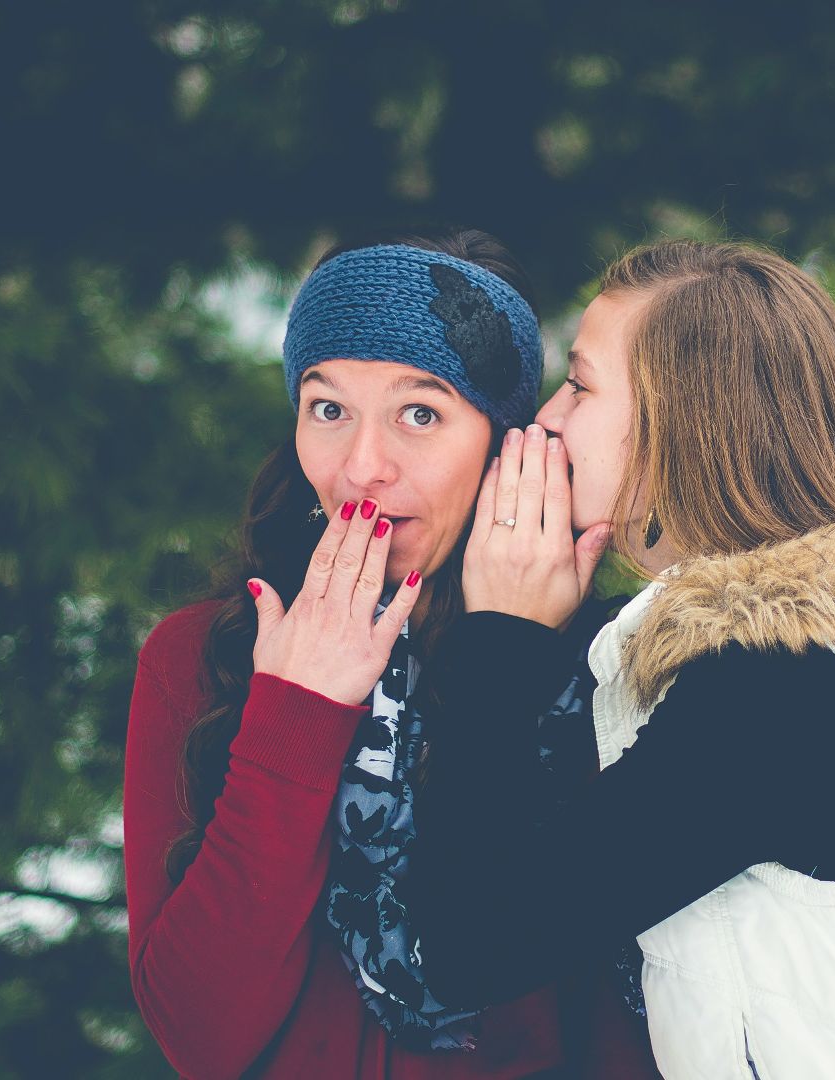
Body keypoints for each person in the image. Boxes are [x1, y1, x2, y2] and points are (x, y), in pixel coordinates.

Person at [352, 239, 835, 1078]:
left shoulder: (780, 698)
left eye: (579, 385)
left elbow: (472, 947)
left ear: (680, 424)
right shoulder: (830, 664)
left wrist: (499, 641)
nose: (547, 420)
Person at [122, 228, 657, 1079]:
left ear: (506, 442)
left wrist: (510, 652)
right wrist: (295, 716)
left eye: (420, 413)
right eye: (327, 408)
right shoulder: (201, 655)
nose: (361, 467)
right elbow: (201, 1035)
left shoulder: (611, 663)